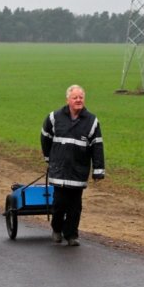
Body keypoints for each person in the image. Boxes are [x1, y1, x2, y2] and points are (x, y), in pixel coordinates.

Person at [40, 84, 105, 247]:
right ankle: (56, 229)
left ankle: (72, 235)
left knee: (75, 206)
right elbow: (45, 137)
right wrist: (49, 158)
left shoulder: (92, 121)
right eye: (75, 97)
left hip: (78, 171)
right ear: (68, 100)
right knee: (60, 203)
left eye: (81, 97)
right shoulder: (54, 117)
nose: (78, 100)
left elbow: (97, 146)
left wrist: (98, 170)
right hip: (59, 170)